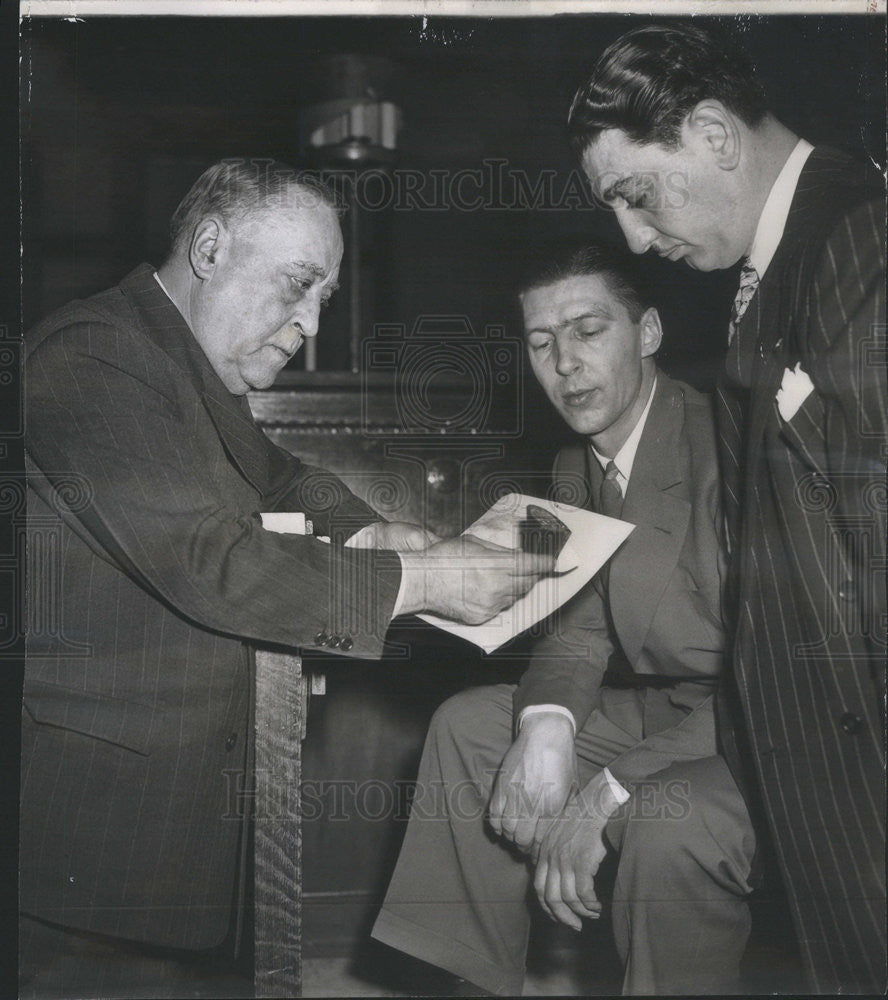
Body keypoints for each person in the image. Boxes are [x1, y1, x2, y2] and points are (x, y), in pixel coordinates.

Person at [20, 158, 551, 998]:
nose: (309, 322)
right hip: (97, 840)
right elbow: (212, 561)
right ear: (208, 247)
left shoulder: (177, 362)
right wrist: (422, 579)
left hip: (177, 823)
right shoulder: (94, 355)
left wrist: (375, 529)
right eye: (297, 285)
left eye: (324, 298)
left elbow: (283, 476)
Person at [567, 23, 886, 994]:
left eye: (636, 191)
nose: (630, 235)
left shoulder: (860, 242)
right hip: (807, 749)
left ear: (712, 134)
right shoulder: (785, 262)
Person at [372, 244, 756, 996]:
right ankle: (474, 981)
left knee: (665, 823)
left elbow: (766, 683)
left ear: (647, 333)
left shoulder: (732, 448)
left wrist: (605, 791)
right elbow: (580, 631)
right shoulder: (576, 465)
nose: (565, 364)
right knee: (472, 728)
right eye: (542, 344)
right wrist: (546, 722)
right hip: (665, 709)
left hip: (758, 725)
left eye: (587, 331)